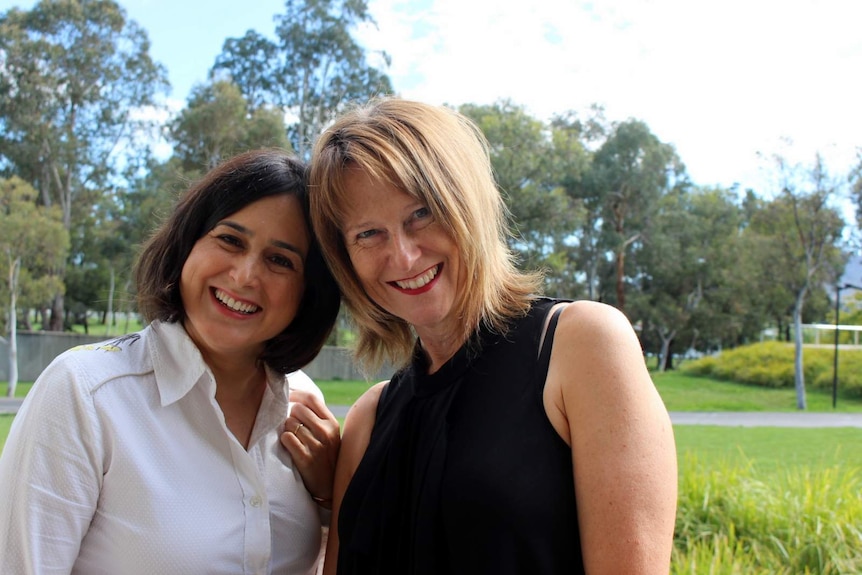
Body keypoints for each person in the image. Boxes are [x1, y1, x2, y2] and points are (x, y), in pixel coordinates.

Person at [308, 98, 678, 574]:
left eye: (421, 213)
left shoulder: (581, 346)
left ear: (468, 206)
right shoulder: (368, 421)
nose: (402, 256)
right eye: (368, 234)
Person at [0, 149, 342, 574]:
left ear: (309, 292)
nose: (244, 275)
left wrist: (331, 492)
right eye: (230, 240)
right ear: (187, 246)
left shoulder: (303, 404)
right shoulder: (84, 394)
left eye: (280, 260)